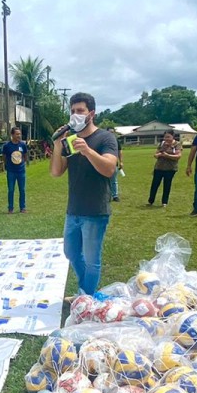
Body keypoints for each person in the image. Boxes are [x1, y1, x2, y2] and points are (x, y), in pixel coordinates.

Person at [50, 92, 118, 296]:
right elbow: (56, 171)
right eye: (72, 111)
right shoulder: (70, 140)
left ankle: (86, 298)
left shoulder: (105, 138)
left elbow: (109, 169)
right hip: (73, 210)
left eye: (80, 111)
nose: (75, 115)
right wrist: (56, 145)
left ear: (91, 113)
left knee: (91, 260)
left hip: (95, 211)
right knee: (70, 252)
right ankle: (85, 290)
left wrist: (88, 151)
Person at [148, 130, 182, 208]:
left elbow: (178, 156)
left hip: (170, 168)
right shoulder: (162, 144)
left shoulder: (177, 144)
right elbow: (155, 155)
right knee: (155, 184)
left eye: (168, 137)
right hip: (159, 167)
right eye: (165, 137)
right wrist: (159, 154)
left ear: (173, 136)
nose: (166, 138)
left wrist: (167, 155)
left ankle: (164, 202)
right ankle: (151, 200)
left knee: (167, 185)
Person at [2, 126, 28, 213]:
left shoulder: (23, 145)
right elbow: (4, 157)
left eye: (19, 134)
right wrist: (8, 165)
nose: (19, 135)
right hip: (11, 171)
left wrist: (22, 164)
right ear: (12, 135)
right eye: (17, 134)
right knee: (11, 190)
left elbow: (25, 155)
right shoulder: (7, 146)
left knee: (22, 190)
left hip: (21, 171)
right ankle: (10, 208)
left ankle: (22, 207)